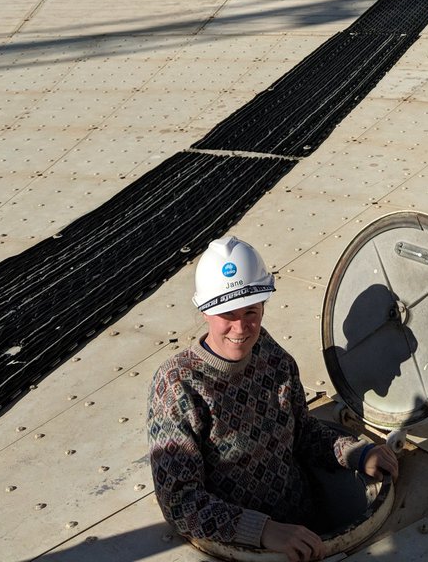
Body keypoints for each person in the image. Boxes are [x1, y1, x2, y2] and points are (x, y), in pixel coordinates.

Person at [148, 236, 398, 561]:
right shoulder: (178, 384)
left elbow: (302, 433)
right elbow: (179, 499)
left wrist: (356, 453)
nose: (241, 327)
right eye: (228, 313)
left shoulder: (271, 356)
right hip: (247, 548)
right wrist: (263, 531)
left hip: (306, 526)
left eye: (251, 311)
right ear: (206, 310)